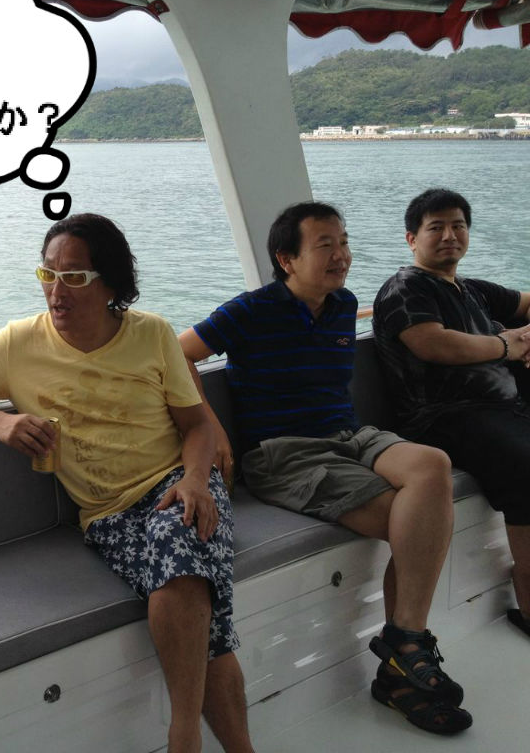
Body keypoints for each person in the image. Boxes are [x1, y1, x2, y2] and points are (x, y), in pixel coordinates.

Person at [0, 213, 254, 753]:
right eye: (47, 274)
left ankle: (184, 734)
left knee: (178, 542)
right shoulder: (19, 342)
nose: (57, 291)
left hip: (178, 482)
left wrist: (197, 479)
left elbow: (196, 426)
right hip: (107, 513)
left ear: (111, 284)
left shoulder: (151, 334)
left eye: (74, 277)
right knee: (201, 609)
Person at [179, 201, 471, 735]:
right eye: (325, 246)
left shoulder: (344, 305)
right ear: (286, 259)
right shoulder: (251, 310)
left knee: (433, 465)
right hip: (284, 452)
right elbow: (178, 354)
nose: (341, 255)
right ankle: (404, 668)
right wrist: (213, 427)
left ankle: (404, 643)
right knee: (412, 523)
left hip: (348, 436)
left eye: (344, 243)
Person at [373, 187, 530, 643]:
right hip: (442, 416)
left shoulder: (471, 289)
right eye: (436, 227)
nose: (449, 236)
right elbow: (433, 343)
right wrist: (505, 345)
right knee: (526, 465)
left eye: (458, 226)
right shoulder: (407, 288)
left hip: (501, 406)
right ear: (412, 239)